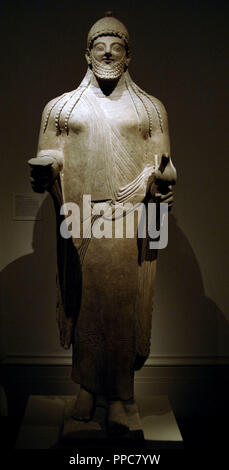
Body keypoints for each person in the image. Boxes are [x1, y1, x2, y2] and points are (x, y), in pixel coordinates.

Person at [29, 12, 177, 434]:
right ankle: (88, 390)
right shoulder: (61, 108)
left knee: (123, 305)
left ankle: (123, 395)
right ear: (87, 54)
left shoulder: (150, 109)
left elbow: (164, 163)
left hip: (130, 220)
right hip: (82, 219)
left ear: (128, 55)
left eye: (116, 47)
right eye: (100, 46)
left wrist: (166, 178)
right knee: (86, 303)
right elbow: (51, 154)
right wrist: (45, 169)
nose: (108, 53)